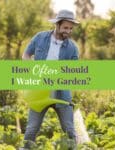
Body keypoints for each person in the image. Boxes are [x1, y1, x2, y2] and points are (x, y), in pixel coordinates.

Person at [22, 9, 79, 149]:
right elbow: (26, 56)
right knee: (31, 129)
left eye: (71, 28)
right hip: (39, 91)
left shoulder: (73, 48)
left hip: (61, 93)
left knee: (70, 130)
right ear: (57, 25)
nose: (68, 31)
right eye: (66, 27)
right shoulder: (40, 37)